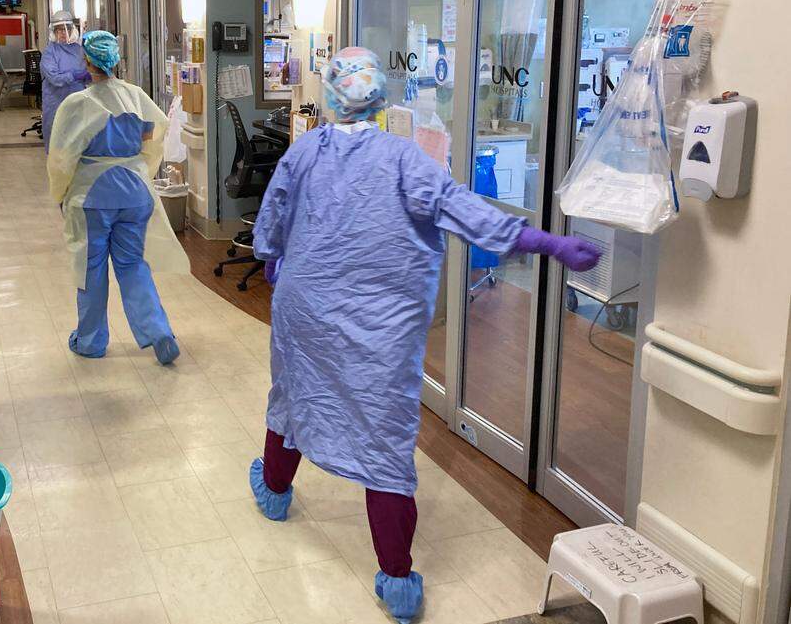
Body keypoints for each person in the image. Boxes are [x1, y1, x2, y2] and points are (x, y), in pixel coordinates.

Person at [246, 47, 601, 624]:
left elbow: (273, 220)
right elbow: (466, 212)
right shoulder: (406, 160)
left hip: (304, 314)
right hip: (378, 332)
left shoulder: (305, 150)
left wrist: (271, 259)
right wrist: (549, 244)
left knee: (293, 398)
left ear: (333, 95)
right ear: (380, 97)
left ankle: (276, 493)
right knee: (382, 440)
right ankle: (395, 579)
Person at [48, 30, 189, 365]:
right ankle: (159, 332)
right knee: (133, 266)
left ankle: (91, 341)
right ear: (115, 60)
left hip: (93, 197)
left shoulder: (78, 104)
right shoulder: (135, 96)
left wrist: (60, 192)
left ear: (86, 61)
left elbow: (62, 155)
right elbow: (152, 133)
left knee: (91, 270)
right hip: (135, 192)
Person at [41, 10, 90, 152]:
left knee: (78, 141)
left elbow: (90, 70)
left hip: (78, 102)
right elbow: (54, 78)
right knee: (57, 144)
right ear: (54, 32)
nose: (63, 33)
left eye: (66, 29)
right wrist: (74, 76)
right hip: (56, 103)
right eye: (59, 30)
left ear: (72, 29)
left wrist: (90, 75)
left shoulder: (80, 50)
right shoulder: (50, 53)